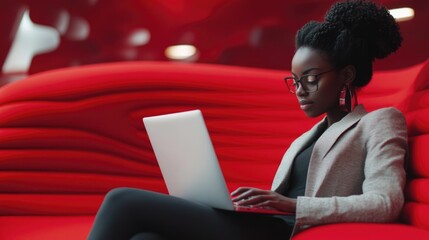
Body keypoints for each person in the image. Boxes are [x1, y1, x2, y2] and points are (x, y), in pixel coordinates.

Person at [88, 1, 407, 239]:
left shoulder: (380, 122)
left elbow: (385, 202)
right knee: (147, 238)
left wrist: (292, 206)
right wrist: (256, 204)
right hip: (262, 224)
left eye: (310, 78)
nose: (299, 90)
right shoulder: (309, 136)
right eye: (294, 81)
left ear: (346, 75)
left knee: (123, 200)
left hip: (279, 233)